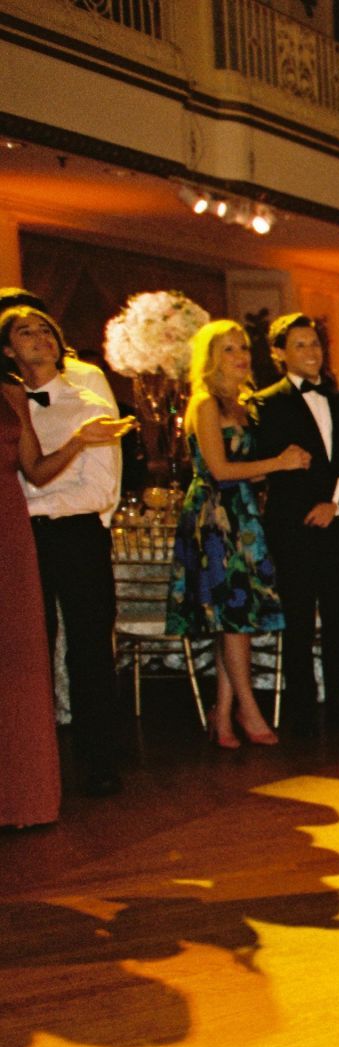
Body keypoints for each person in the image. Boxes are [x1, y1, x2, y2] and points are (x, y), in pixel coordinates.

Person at [6, 305, 133, 796]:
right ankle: (35, 767)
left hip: (76, 535)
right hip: (21, 540)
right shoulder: (7, 405)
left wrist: (34, 502)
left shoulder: (87, 404)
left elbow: (98, 491)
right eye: (26, 332)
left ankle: (100, 762)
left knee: (89, 650)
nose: (40, 338)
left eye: (46, 331)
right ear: (8, 349)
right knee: (29, 651)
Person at [166, 320, 305, 748]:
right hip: (216, 517)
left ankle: (223, 715)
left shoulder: (245, 403)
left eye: (242, 347)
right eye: (228, 349)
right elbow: (220, 470)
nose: (240, 356)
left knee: (237, 620)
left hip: (243, 515)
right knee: (234, 618)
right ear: (210, 358)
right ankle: (249, 708)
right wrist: (279, 464)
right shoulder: (205, 403)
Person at [253, 314, 339, 735]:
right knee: (299, 622)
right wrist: (334, 491)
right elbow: (285, 465)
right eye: (300, 345)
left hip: (337, 525)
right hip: (295, 525)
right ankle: (302, 712)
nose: (311, 352)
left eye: (315, 344)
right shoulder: (266, 401)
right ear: (279, 353)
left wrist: (338, 501)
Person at [0, 382, 62, 826]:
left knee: (19, 658)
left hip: (9, 526)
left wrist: (80, 441)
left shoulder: (11, 393)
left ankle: (23, 799)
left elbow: (36, 471)